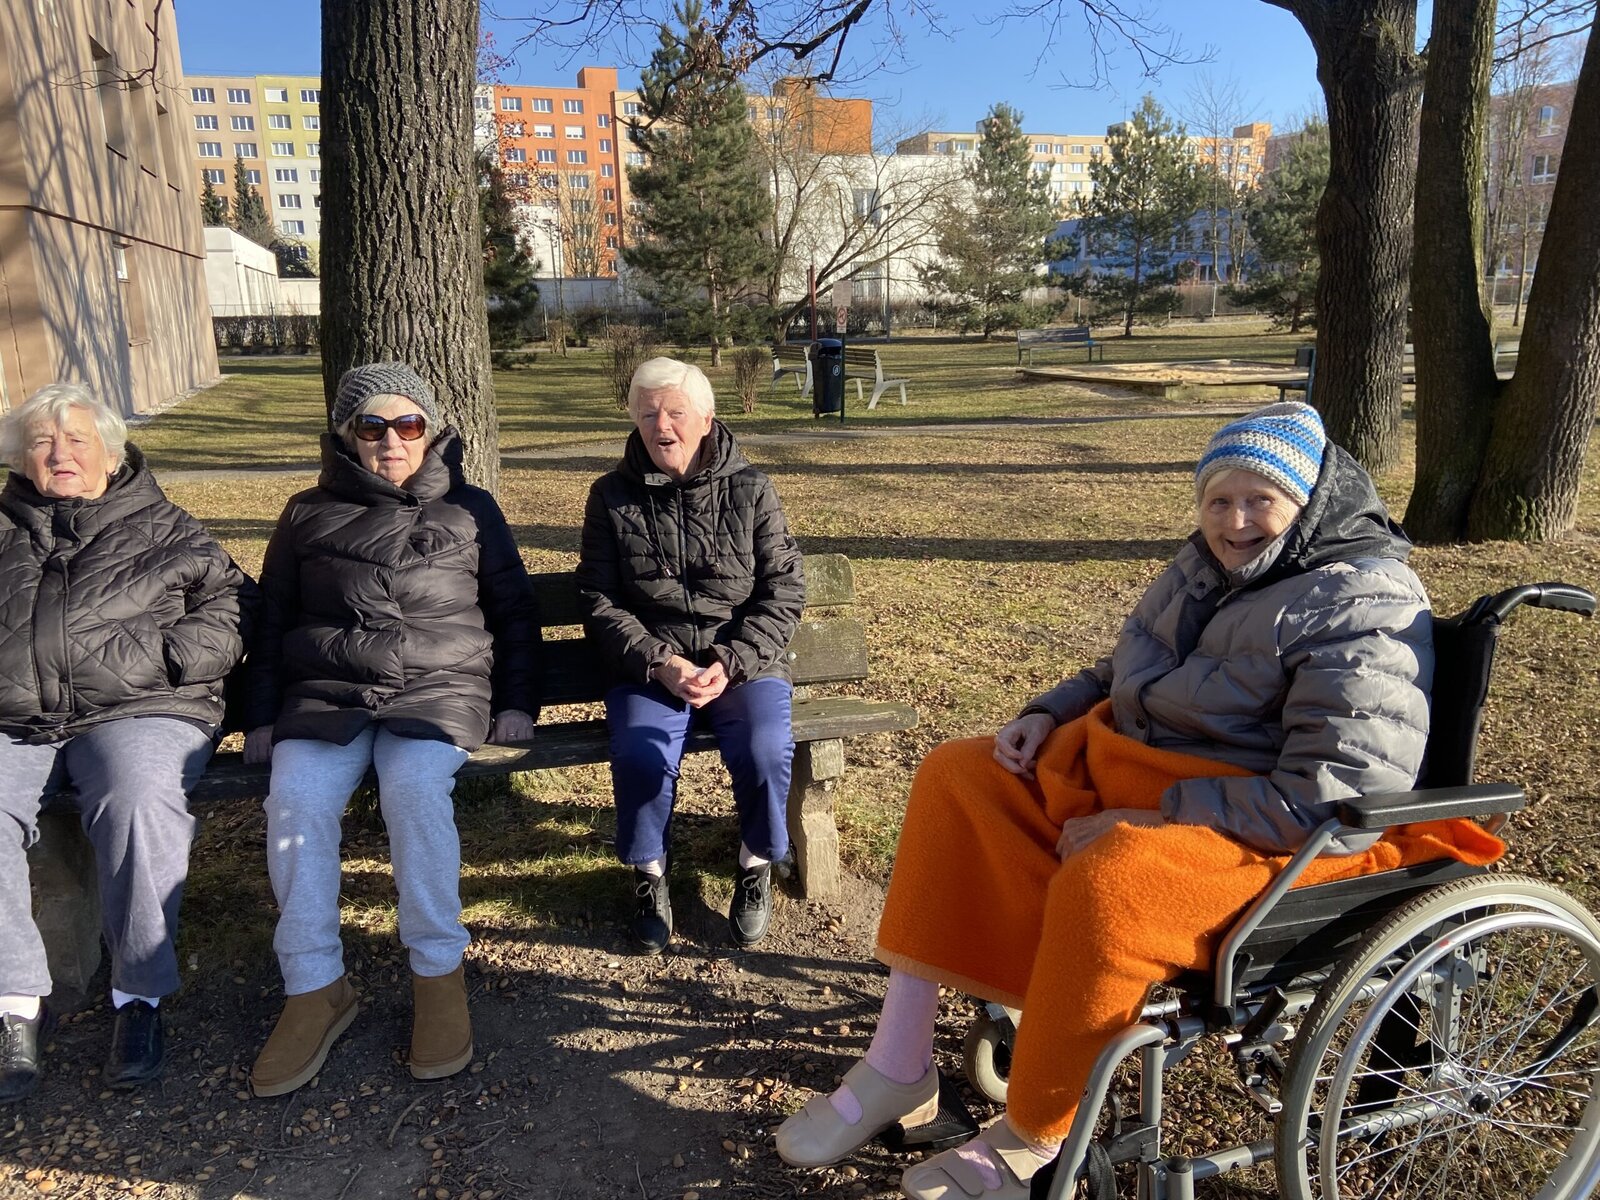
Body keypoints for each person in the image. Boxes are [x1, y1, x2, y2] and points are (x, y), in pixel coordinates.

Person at [774, 402, 1505, 1198]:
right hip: (1138, 777)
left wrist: (1156, 816)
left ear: (1307, 504)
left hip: (1272, 832)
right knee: (959, 775)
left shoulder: (1363, 600)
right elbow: (1121, 672)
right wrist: (1047, 712)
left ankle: (1032, 1135)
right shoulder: (1203, 567)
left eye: (1259, 500)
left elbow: (1337, 791)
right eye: (1218, 500)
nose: (1235, 521)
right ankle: (899, 1064)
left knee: (1113, 877)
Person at [243, 362, 539, 1096]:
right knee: (295, 801)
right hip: (327, 695)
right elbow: (273, 618)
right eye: (371, 426)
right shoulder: (306, 512)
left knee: (414, 790)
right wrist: (260, 716)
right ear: (347, 436)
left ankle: (438, 975)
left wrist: (518, 703)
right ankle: (314, 986)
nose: (391, 440)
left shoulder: (471, 509)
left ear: (430, 432)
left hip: (438, 691)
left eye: (408, 424)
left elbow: (513, 610)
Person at [0, 383, 252, 1102]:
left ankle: (138, 997)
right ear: (20, 460)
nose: (61, 454)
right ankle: (14, 1003)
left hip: (139, 709)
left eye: (77, 440)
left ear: (111, 455)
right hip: (15, 718)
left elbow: (232, 607)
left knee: (139, 801)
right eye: (43, 443)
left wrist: (164, 659)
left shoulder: (166, 526)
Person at [577, 357, 805, 955]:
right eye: (648, 414)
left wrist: (732, 661)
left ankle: (755, 863)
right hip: (650, 667)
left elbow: (783, 590)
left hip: (742, 662)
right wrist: (659, 661)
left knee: (764, 746)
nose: (662, 426)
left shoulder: (751, 489)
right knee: (641, 753)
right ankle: (649, 874)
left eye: (676, 412)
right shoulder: (610, 497)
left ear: (706, 419)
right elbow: (597, 599)